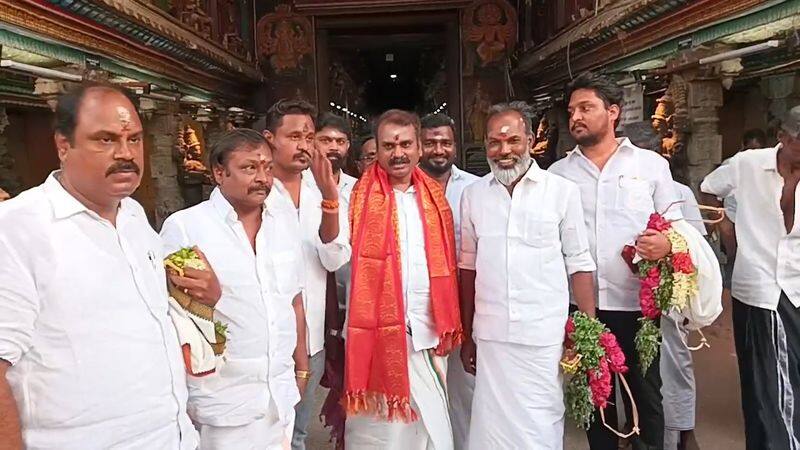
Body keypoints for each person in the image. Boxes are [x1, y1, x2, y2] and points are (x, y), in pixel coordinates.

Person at [0, 83, 204, 448]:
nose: (126, 154)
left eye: (135, 139)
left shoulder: (133, 215)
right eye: (105, 140)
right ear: (64, 146)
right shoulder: (17, 228)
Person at [549, 71, 683, 450]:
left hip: (636, 304)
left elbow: (678, 227)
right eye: (572, 109)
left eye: (586, 108)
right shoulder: (557, 176)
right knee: (598, 397)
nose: (575, 116)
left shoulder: (650, 166)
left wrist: (666, 244)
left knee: (646, 393)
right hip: (583, 307)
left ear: (613, 112)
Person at [459, 102, 597, 448]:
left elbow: (579, 264)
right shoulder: (473, 195)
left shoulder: (561, 191)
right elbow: (467, 268)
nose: (504, 151)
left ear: (532, 139)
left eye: (513, 141)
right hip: (491, 336)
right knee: (490, 428)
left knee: (540, 424)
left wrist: (586, 331)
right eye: (494, 142)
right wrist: (467, 334)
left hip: (543, 336)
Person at [160, 129, 309, 449]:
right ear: (218, 172)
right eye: (249, 168)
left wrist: (302, 370)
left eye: (268, 168)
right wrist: (211, 300)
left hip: (279, 396)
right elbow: (171, 319)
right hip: (224, 401)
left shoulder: (283, 225)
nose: (263, 178)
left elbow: (294, 300)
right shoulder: (186, 227)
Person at [344, 109, 461, 450]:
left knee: (430, 430)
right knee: (382, 432)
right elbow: (335, 256)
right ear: (376, 151)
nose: (398, 153)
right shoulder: (356, 198)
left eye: (406, 144)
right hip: (376, 337)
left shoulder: (436, 198)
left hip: (427, 332)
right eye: (389, 145)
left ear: (419, 148)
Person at [700, 106, 800, 450]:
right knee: (769, 383)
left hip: (797, 286)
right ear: (782, 138)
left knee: (784, 381)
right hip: (759, 289)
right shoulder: (748, 164)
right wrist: (727, 228)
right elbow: (709, 188)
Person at [263, 99, 351, 450]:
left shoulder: (322, 190)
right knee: (264, 430)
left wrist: (330, 198)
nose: (304, 145)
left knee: (298, 433)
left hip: (311, 334)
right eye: (294, 136)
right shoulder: (255, 189)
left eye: (309, 136)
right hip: (264, 333)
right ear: (270, 138)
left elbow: (334, 258)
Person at [418, 112, 479, 449]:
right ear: (419, 145)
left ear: (455, 145)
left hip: (465, 303)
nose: (438, 149)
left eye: (445, 142)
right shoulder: (404, 190)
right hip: (421, 306)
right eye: (430, 143)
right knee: (425, 386)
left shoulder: (474, 188)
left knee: (464, 386)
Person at [314, 112, 357, 449]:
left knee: (349, 381)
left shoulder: (359, 191)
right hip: (313, 303)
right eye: (325, 140)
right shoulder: (292, 189)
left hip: (351, 300)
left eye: (339, 141)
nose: (332, 147)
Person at [718, 128, 768, 291]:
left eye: (758, 150)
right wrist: (724, 224)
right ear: (742, 146)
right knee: (734, 269)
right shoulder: (732, 165)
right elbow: (709, 192)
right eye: (750, 150)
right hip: (734, 226)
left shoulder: (770, 167)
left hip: (759, 228)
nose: (754, 154)